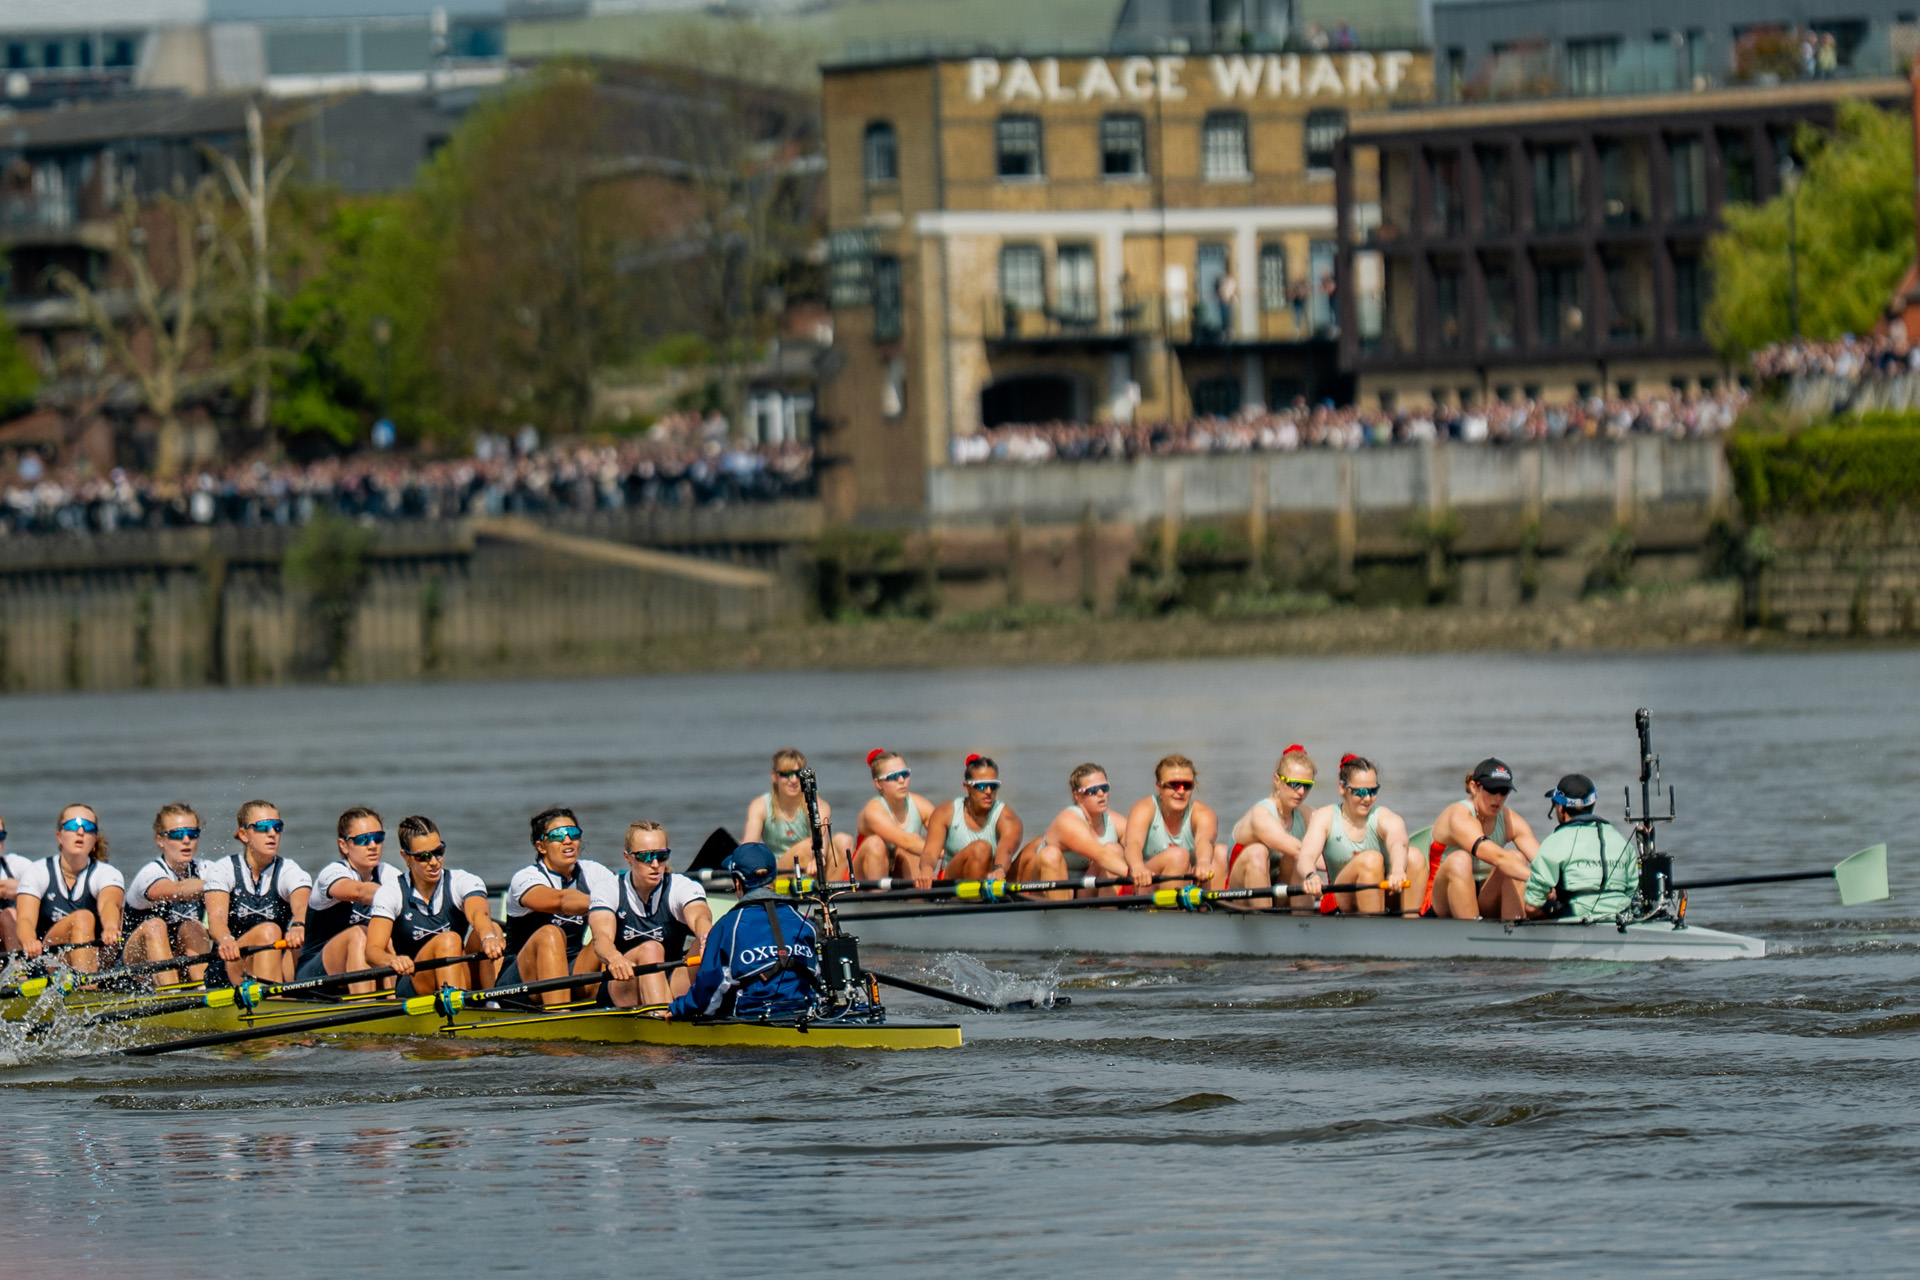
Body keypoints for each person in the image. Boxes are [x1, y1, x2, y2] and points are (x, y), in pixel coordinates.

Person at [669, 843, 819, 1021]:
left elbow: (709, 988)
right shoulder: (804, 922)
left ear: (737, 882)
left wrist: (679, 1008)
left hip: (753, 1016)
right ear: (772, 877)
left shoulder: (727, 926)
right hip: (804, 1011)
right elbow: (817, 976)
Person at [500, 807, 631, 1008]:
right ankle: (559, 1014)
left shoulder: (592, 871)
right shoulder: (525, 879)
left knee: (608, 937)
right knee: (551, 934)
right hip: (521, 982)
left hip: (572, 970)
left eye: (573, 833)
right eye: (558, 835)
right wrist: (605, 903)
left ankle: (628, 1005)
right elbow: (562, 901)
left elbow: (627, 896)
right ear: (541, 846)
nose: (567, 840)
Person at [366, 815, 504, 997]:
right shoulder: (392, 892)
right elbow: (372, 951)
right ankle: (458, 1013)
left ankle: (493, 1003)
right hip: (415, 983)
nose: (434, 862)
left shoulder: (460, 881)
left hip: (456, 974)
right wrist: (391, 960)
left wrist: (488, 937)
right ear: (406, 857)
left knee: (492, 928)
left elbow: (478, 913)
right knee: (449, 940)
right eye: (423, 857)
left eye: (438, 851)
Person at [605, 820, 714, 1010]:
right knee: (651, 950)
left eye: (661, 856)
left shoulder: (681, 886)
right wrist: (614, 958)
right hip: (622, 983)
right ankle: (664, 1019)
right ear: (628, 857)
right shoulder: (610, 888)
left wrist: (706, 939)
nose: (655, 864)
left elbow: (699, 917)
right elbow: (600, 938)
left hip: (672, 980)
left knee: (714, 936)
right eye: (646, 857)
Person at [296, 807, 404, 994]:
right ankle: (364, 1005)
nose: (372, 845)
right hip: (315, 976)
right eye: (363, 840)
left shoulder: (388, 873)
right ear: (344, 845)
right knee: (360, 934)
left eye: (378, 838)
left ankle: (393, 1000)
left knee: (385, 937)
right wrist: (397, 896)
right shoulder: (332, 873)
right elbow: (359, 891)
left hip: (362, 970)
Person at [203, 800, 311, 985]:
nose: (272, 833)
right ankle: (275, 1006)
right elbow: (217, 918)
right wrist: (225, 939)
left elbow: (302, 904)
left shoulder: (288, 869)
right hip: (229, 964)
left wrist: (299, 924)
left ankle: (291, 997)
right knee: (269, 930)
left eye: (277, 827)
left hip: (274, 959)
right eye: (263, 827)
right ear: (244, 834)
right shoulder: (224, 868)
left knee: (298, 944)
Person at [1294, 755, 1417, 915]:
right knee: (1371, 859)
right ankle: (1373, 931)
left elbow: (1398, 842)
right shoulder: (1326, 817)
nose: (1367, 798)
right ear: (1342, 788)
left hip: (1384, 895)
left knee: (1414, 856)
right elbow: (1306, 855)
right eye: (1360, 792)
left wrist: (1398, 870)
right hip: (1339, 901)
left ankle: (1412, 925)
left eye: (1373, 791)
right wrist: (1311, 876)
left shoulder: (1385, 817)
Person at [14, 804, 125, 974]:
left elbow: (109, 903)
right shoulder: (38, 871)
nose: (80, 832)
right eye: (73, 826)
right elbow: (25, 920)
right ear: (59, 836)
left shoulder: (107, 873)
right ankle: (88, 988)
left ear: (95, 839)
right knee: (83, 917)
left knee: (90, 918)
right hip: (49, 960)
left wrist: (110, 927)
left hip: (97, 955)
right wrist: (29, 940)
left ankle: (88, 983)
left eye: (88, 827)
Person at [1428, 758, 1540, 921]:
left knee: (1516, 859)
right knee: (1461, 860)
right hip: (1440, 900)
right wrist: (1538, 880)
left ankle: (1515, 932)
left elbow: (1542, 861)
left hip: (1484, 898)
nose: (1498, 798)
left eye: (1504, 791)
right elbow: (1496, 857)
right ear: (1474, 787)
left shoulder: (1510, 819)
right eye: (1492, 790)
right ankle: (1472, 938)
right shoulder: (1459, 815)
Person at [121, 803, 212, 987]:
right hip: (137, 965)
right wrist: (218, 885)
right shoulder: (150, 873)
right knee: (155, 926)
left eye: (192, 833)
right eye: (177, 834)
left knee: (192, 927)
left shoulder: (206, 868)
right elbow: (176, 889)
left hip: (178, 958)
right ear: (160, 840)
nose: (186, 840)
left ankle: (204, 989)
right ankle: (168, 993)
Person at [1524, 774, 1639, 920]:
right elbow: (1632, 892)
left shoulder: (1554, 842)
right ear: (1593, 804)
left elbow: (1532, 906)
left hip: (1576, 919)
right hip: (1621, 917)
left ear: (1560, 808)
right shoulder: (1622, 841)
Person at [1018, 763, 1131, 900]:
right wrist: (1133, 874)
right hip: (1052, 890)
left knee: (1115, 849)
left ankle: (1108, 913)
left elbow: (1138, 851)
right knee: (1050, 854)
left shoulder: (1116, 821)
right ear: (1077, 796)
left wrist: (1147, 872)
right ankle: (1060, 915)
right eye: (1092, 790)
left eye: (1104, 788)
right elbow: (1102, 855)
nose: (1101, 794)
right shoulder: (1068, 821)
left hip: (1084, 891)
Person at [1224, 746, 1318, 907]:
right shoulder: (1261, 814)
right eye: (1295, 784)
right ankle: (1266, 920)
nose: (1301, 792)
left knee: (1295, 858)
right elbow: (1296, 849)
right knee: (1258, 852)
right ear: (1277, 780)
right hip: (1241, 894)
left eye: (1307, 785)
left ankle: (1300, 917)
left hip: (1279, 892)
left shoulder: (1307, 814)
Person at [743, 748, 853, 878]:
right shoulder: (760, 806)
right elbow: (748, 848)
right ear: (774, 777)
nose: (794, 780)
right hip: (777, 872)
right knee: (807, 846)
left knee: (844, 841)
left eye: (798, 773)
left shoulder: (817, 805)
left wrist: (818, 857)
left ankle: (830, 891)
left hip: (814, 860)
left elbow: (820, 840)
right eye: (786, 774)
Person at [1122, 755, 1226, 890]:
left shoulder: (1203, 813)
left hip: (1188, 880)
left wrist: (1204, 862)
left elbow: (1204, 841)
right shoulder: (1144, 809)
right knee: (1178, 856)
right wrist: (1137, 867)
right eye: (1174, 785)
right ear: (1159, 786)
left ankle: (1210, 907)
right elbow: (1133, 844)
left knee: (1221, 852)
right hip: (1147, 882)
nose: (1181, 791)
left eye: (1187, 785)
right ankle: (1170, 910)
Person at [920, 754, 1025, 888]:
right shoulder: (944, 813)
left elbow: (1006, 849)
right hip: (952, 882)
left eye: (993, 786)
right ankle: (976, 903)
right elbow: (929, 853)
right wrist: (927, 870)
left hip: (992, 878)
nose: (988, 791)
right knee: (981, 848)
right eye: (981, 786)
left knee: (1037, 847)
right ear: (967, 786)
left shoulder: (1007, 817)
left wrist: (999, 868)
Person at [852, 749, 935, 882]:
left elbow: (946, 833)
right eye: (893, 777)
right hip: (865, 873)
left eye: (905, 774)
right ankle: (877, 899)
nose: (901, 780)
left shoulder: (919, 804)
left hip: (898, 868)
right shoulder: (873, 809)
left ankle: (916, 900)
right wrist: (938, 852)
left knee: (911, 846)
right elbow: (906, 841)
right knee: (877, 843)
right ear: (878, 783)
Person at [0, 809, 27, 954]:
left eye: (0, 835)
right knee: (8, 914)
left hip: (9, 942)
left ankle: (22, 972)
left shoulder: (15, 864)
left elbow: (47, 887)